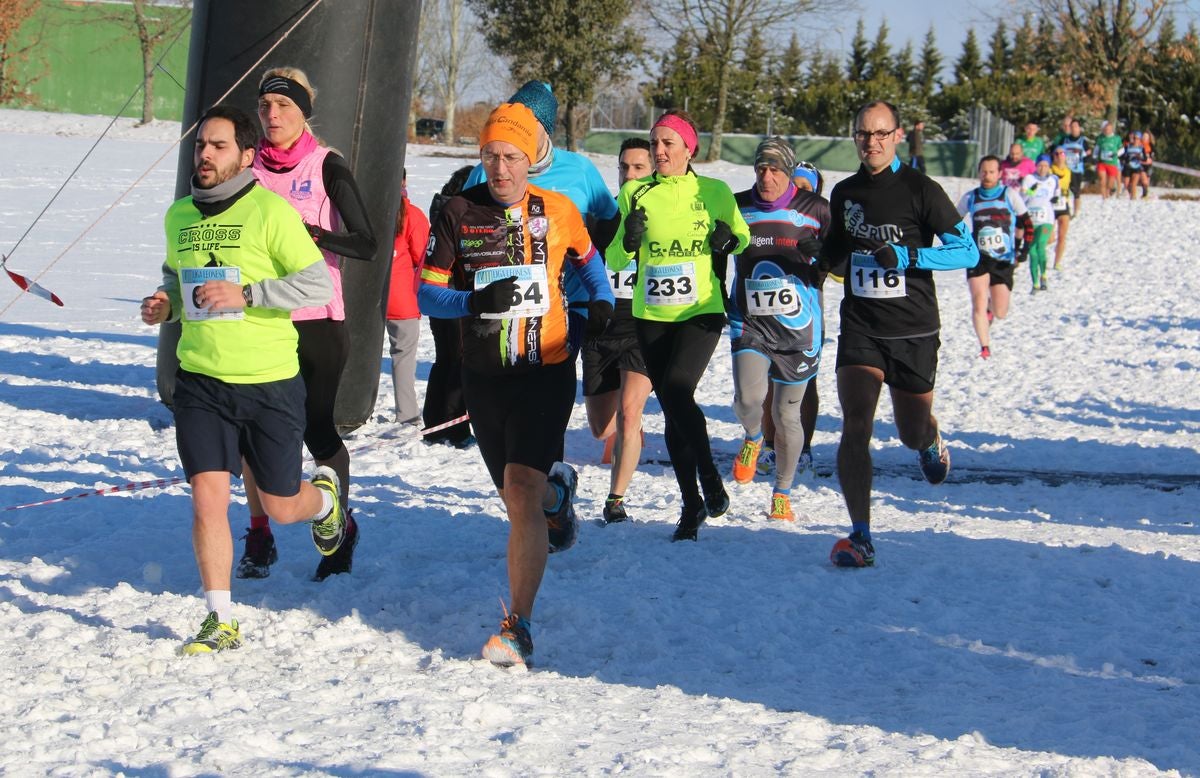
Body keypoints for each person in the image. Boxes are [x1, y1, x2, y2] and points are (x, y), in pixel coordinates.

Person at [140, 105, 345, 654]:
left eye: (218, 146)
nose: (204, 154)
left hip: (268, 382)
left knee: (280, 504)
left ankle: (324, 501)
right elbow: (178, 279)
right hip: (201, 380)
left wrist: (249, 294)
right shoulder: (179, 215)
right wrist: (166, 305)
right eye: (201, 144)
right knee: (208, 498)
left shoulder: (270, 213)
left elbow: (317, 287)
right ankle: (220, 617)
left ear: (246, 157)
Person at [417, 102, 615, 667]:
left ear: (531, 160)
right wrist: (473, 300)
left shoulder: (558, 210)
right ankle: (560, 495)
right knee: (517, 495)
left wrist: (599, 300)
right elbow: (426, 292)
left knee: (521, 489)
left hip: (547, 367)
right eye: (490, 156)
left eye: (511, 157)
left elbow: (588, 259)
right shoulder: (458, 212)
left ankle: (518, 626)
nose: (500, 168)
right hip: (484, 376)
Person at [818, 100, 979, 568]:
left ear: (898, 136)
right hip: (861, 328)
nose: (871, 142)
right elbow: (836, 249)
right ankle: (860, 536)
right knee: (855, 426)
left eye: (880, 134)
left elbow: (965, 252)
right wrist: (816, 263)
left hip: (913, 330)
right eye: (863, 134)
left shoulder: (921, 189)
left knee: (909, 432)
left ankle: (930, 437)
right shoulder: (845, 193)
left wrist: (909, 258)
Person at [237, 67, 378, 582]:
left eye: (284, 107)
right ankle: (260, 535)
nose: (272, 116)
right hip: (256, 318)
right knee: (251, 433)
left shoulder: (326, 166)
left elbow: (366, 242)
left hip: (316, 320)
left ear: (303, 114)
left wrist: (313, 234)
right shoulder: (246, 167)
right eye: (265, 107)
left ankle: (338, 537)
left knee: (317, 431)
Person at [606, 109, 750, 542]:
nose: (660, 151)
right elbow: (613, 257)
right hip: (651, 314)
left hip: (701, 310)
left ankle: (708, 476)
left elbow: (741, 234)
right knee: (672, 406)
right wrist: (629, 239)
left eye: (669, 143)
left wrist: (728, 238)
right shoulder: (635, 193)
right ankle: (692, 503)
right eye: (655, 144)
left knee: (677, 390)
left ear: (690, 149)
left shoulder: (715, 191)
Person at [727, 138, 830, 521]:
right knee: (747, 400)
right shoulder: (738, 205)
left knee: (788, 415)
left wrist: (820, 252)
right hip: (750, 321)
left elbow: (838, 262)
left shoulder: (816, 209)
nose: (766, 177)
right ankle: (753, 438)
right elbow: (715, 250)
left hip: (799, 329)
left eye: (775, 170)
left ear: (788, 173)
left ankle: (782, 494)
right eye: (760, 169)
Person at [583, 137, 654, 524]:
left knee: (630, 412)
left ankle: (616, 499)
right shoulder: (602, 217)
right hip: (600, 329)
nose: (629, 174)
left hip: (641, 327)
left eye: (639, 167)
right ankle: (629, 436)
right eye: (624, 167)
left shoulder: (661, 215)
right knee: (600, 428)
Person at [421, 165, 476, 447]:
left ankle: (434, 423)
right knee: (456, 361)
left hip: (439, 296)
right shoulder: (456, 214)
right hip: (451, 295)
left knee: (445, 360)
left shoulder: (441, 210)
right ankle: (455, 427)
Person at [957, 155, 1029, 359]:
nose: (987, 176)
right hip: (977, 258)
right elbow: (953, 223)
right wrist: (959, 244)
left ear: (999, 174)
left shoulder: (1009, 195)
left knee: (1001, 311)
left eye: (991, 172)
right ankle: (985, 348)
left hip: (1002, 259)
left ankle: (992, 309)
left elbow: (1027, 222)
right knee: (977, 300)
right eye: (983, 171)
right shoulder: (970, 198)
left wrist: (1023, 250)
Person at [385, 168, 430, 425]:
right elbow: (423, 258)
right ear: (403, 182)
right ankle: (407, 414)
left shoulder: (368, 208)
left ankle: (352, 410)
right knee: (403, 358)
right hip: (402, 299)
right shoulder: (412, 215)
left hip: (368, 298)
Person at [1021, 154, 1061, 293]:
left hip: (1046, 219)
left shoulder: (1053, 179)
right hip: (1031, 220)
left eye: (1045, 165)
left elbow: (1058, 196)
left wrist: (1057, 200)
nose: (1043, 168)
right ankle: (1035, 283)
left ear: (1049, 167)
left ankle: (1044, 275)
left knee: (1041, 246)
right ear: (1036, 166)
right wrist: (1032, 190)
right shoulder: (1029, 179)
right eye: (1040, 165)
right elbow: (1023, 198)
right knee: (1032, 251)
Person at [1052, 118, 1091, 217]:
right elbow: (1056, 151)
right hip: (1065, 169)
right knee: (1063, 190)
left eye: (1075, 127)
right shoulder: (1064, 139)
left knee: (1076, 191)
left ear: (1079, 128)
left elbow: (1089, 153)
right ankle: (1064, 209)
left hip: (1077, 170)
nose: (1073, 129)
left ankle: (1076, 212)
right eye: (1072, 127)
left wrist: (1082, 157)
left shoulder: (1083, 141)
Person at [1049, 147, 1072, 270]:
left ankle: (1057, 262)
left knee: (1062, 236)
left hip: (1064, 205)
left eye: (1061, 153)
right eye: (1056, 153)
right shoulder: (1049, 169)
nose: (1059, 155)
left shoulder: (1068, 171)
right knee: (1050, 238)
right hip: (1051, 206)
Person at [1095, 121, 1123, 199]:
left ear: (1111, 130)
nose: (1107, 131)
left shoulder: (1116, 138)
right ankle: (1104, 196)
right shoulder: (1101, 138)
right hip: (1102, 162)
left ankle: (1108, 191)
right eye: (1105, 129)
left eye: (1108, 129)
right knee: (1102, 179)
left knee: (1111, 182)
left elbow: (1122, 149)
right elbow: (1097, 148)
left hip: (1112, 163)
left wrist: (1116, 154)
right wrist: (1094, 156)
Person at [1121, 130, 1147, 201]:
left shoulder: (1141, 148)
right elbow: (1122, 156)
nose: (1135, 140)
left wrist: (1139, 157)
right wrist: (1127, 158)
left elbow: (1145, 159)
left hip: (1136, 167)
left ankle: (1133, 197)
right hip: (1128, 167)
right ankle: (1131, 194)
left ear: (1140, 140)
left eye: (1137, 138)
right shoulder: (1128, 146)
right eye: (1134, 138)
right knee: (1126, 184)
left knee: (1133, 184)